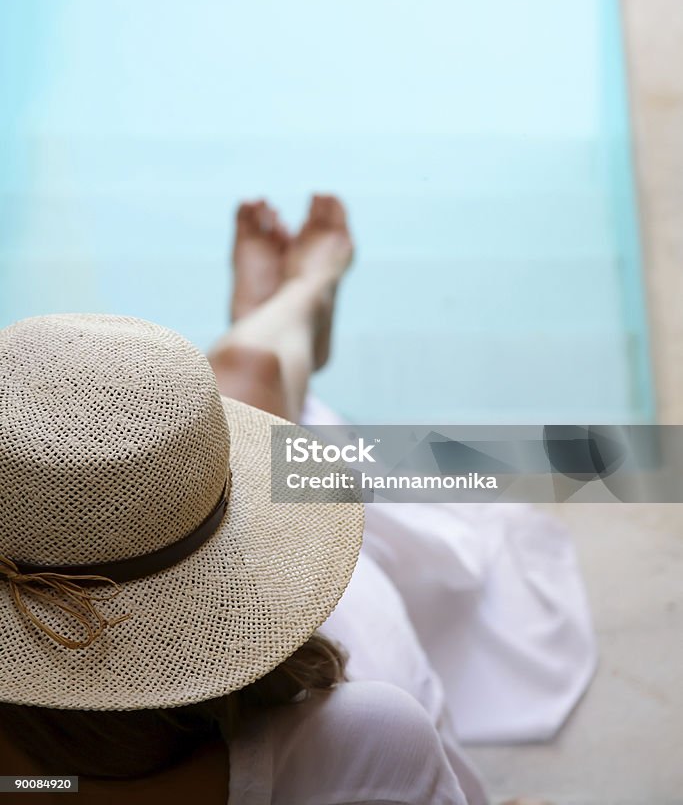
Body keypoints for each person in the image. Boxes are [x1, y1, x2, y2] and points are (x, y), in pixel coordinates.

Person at [0, 195, 590, 805]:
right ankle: (296, 302)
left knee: (237, 395)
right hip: (292, 680)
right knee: (266, 420)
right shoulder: (364, 740)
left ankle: (272, 322)